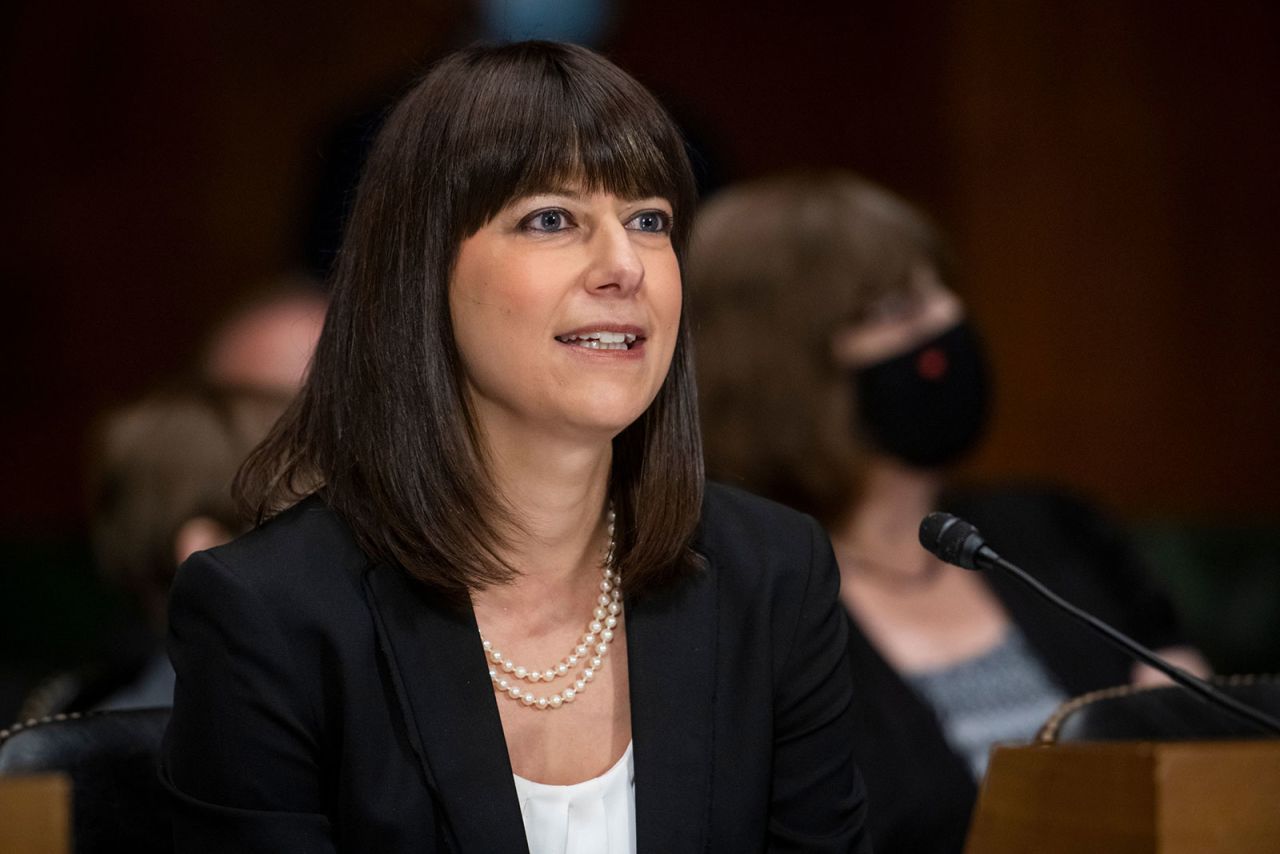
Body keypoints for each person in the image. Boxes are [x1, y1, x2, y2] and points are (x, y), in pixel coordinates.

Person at [161, 42, 869, 853]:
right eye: (551, 219)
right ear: (420, 269)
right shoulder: (271, 614)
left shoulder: (773, 574)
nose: (623, 267)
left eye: (650, 221)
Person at [688, 170, 1208, 854]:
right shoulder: (745, 599)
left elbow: (1203, 740)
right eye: (897, 308)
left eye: (939, 288)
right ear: (786, 369)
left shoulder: (1054, 527)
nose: (945, 319)